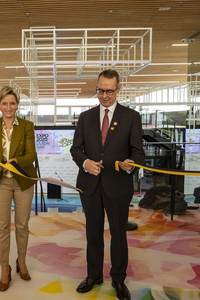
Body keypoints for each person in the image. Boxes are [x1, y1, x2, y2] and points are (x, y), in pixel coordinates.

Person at [70, 69, 145, 300]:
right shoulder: (86, 117)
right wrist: (85, 164)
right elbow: (76, 150)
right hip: (90, 185)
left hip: (118, 185)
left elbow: (138, 153)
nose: (104, 95)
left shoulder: (131, 117)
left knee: (118, 235)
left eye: (109, 91)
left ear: (118, 90)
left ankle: (118, 279)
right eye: (100, 90)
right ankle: (94, 275)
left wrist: (131, 164)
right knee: (93, 233)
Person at [0, 86, 37, 291]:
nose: (9, 107)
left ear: (17, 105)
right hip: (0, 183)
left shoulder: (27, 126)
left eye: (12, 103)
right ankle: (4, 267)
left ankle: (21, 261)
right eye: (5, 103)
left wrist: (17, 161)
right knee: (2, 227)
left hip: (22, 181)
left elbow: (31, 154)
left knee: (22, 225)